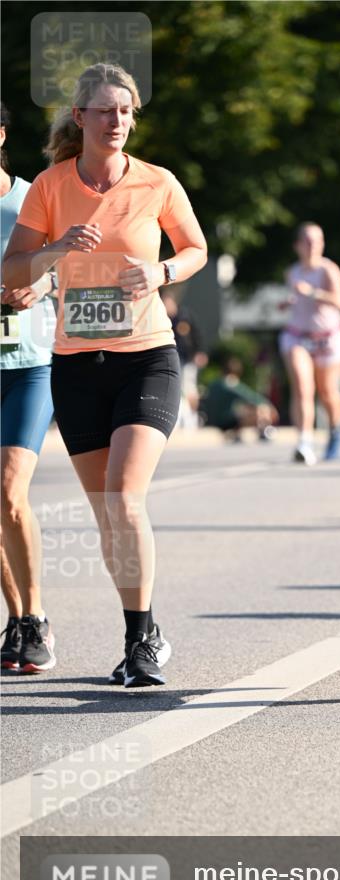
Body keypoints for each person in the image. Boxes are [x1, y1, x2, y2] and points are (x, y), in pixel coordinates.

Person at [2, 63, 207, 687]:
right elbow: (13, 270)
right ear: (80, 117)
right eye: (106, 111)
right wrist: (56, 251)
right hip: (76, 365)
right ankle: (141, 627)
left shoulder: (157, 183)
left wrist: (163, 273)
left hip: (146, 355)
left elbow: (195, 249)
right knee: (106, 513)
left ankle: (141, 637)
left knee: (124, 495)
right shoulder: (49, 186)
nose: (118, 122)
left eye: (126, 112)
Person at [0, 102, 57, 674]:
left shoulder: (30, 197)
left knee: (10, 489)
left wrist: (40, 287)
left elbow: (71, 264)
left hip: (29, 363)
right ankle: (17, 619)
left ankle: (35, 616)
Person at [280, 222, 340, 465]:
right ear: (298, 245)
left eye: (317, 241)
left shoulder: (328, 270)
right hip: (298, 336)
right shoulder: (293, 272)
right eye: (307, 241)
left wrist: (313, 293)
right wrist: (289, 302)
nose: (312, 246)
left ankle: (335, 431)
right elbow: (297, 297)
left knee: (328, 392)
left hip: (328, 338)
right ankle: (304, 442)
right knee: (302, 386)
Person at [200, 355, 278, 441]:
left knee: (241, 409)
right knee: (260, 409)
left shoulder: (214, 384)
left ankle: (236, 433)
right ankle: (263, 429)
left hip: (211, 421)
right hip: (226, 422)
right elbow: (252, 398)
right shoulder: (230, 382)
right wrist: (270, 406)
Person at [161, 290, 208, 429]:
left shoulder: (184, 316)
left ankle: (193, 417)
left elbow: (197, 334)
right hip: (172, 358)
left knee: (189, 387)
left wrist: (200, 352)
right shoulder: (164, 319)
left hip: (187, 357)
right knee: (175, 389)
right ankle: (180, 419)